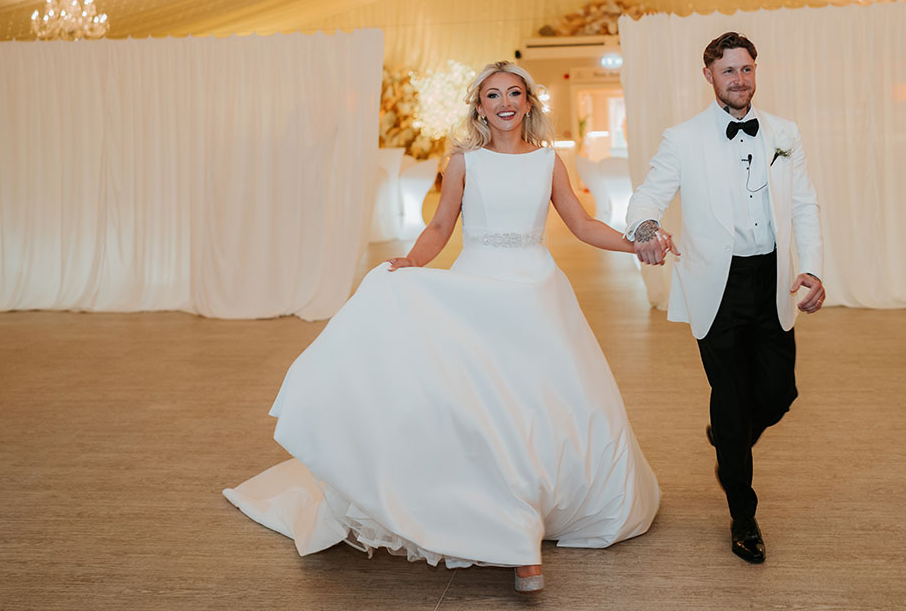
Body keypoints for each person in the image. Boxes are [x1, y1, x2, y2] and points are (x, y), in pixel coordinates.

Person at [224, 61, 659, 594]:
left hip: (537, 296)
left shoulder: (549, 162)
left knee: (539, 407)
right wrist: (409, 264)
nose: (503, 103)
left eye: (513, 94)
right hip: (474, 292)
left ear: (528, 103)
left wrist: (634, 244)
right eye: (492, 95)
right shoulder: (463, 163)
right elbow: (439, 226)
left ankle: (529, 518)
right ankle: (509, 534)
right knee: (479, 410)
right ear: (478, 107)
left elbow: (583, 223)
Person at [625, 31, 824, 564]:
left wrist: (812, 268)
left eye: (747, 69)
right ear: (709, 75)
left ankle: (727, 438)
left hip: (772, 280)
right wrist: (645, 227)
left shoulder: (784, 132)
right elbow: (648, 194)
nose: (740, 79)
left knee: (780, 392)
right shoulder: (683, 138)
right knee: (732, 399)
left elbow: (804, 204)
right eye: (729, 70)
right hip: (717, 285)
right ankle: (743, 515)